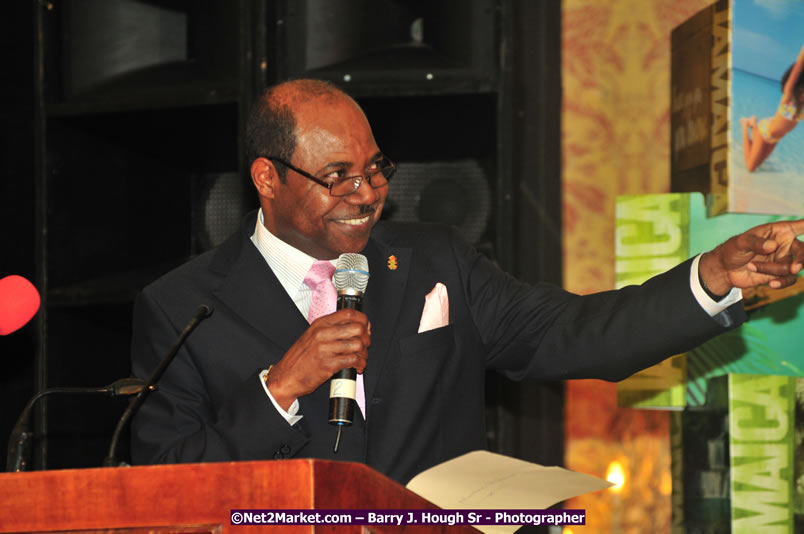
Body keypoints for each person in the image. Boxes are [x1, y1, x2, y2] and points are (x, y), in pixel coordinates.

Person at [130, 79, 804, 485]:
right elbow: (162, 480)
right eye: (338, 175)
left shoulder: (436, 261)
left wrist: (713, 275)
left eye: (376, 167)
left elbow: (576, 335)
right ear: (268, 179)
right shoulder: (181, 306)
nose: (368, 193)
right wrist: (278, 389)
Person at [740, 44, 804, 172]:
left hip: (775, 138)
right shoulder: (788, 97)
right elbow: (797, 68)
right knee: (750, 168)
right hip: (765, 132)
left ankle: (753, 124)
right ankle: (745, 125)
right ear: (798, 88)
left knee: (758, 166)